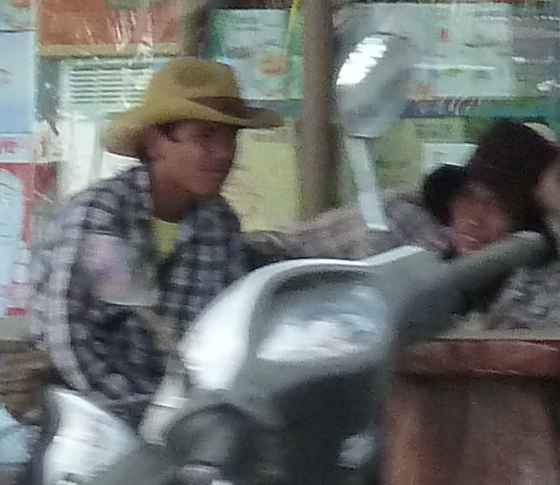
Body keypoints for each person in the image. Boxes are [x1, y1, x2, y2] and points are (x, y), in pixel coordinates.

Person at [24, 57, 367, 422]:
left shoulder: (217, 224)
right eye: (204, 137)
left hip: (185, 427)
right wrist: (149, 414)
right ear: (155, 143)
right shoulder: (105, 216)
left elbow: (229, 330)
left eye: (230, 138)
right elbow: (68, 336)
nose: (222, 154)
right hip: (92, 429)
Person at [386, 117, 560, 330]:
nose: (474, 217)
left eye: (498, 206)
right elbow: (350, 228)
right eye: (467, 197)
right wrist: (422, 189)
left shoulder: (535, 293)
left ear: (524, 225)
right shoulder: (421, 248)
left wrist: (555, 198)